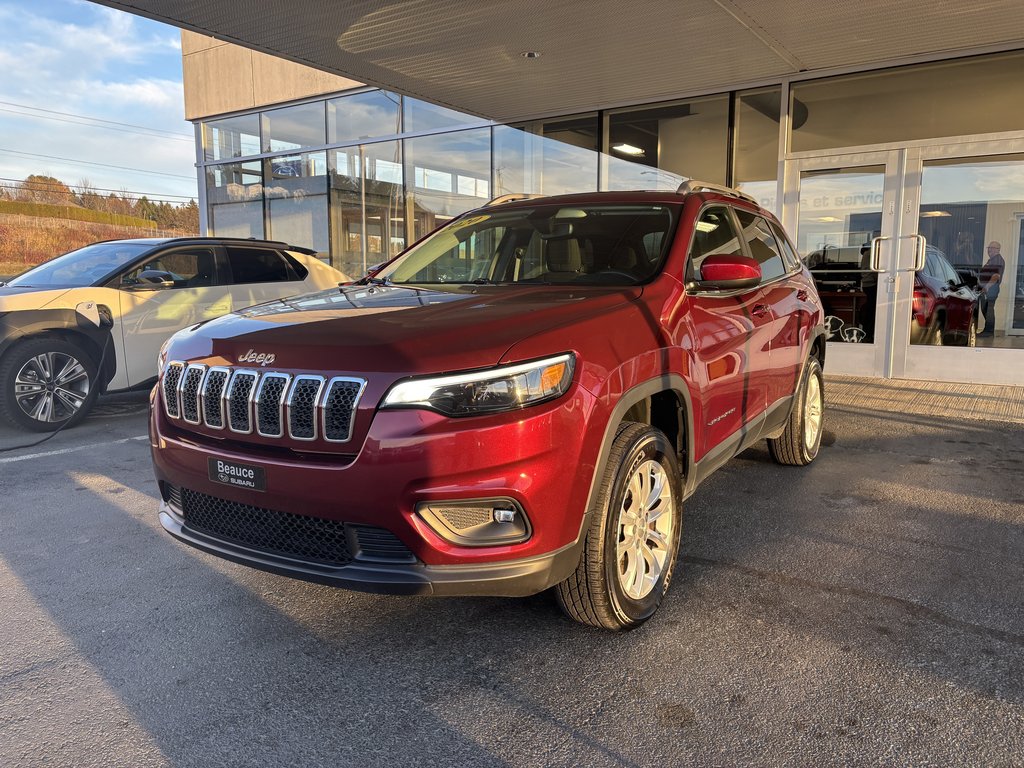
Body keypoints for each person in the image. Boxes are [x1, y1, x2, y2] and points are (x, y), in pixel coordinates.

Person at [978, 241, 1005, 337]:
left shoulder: (997, 260)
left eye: (992, 248)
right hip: (988, 288)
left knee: (988, 309)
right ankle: (988, 330)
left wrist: (986, 287)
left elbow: (996, 275)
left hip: (991, 289)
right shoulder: (991, 260)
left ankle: (988, 332)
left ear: (998, 250)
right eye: (988, 248)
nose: (989, 250)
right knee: (985, 309)